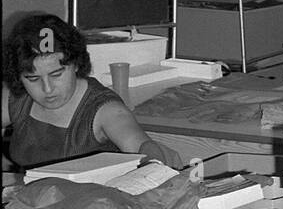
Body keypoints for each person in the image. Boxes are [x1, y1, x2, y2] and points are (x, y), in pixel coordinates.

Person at [2, 13, 184, 170]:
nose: (47, 88)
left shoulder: (104, 110)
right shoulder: (17, 97)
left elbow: (140, 146)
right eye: (32, 79)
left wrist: (154, 161)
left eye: (56, 74)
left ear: (75, 64)